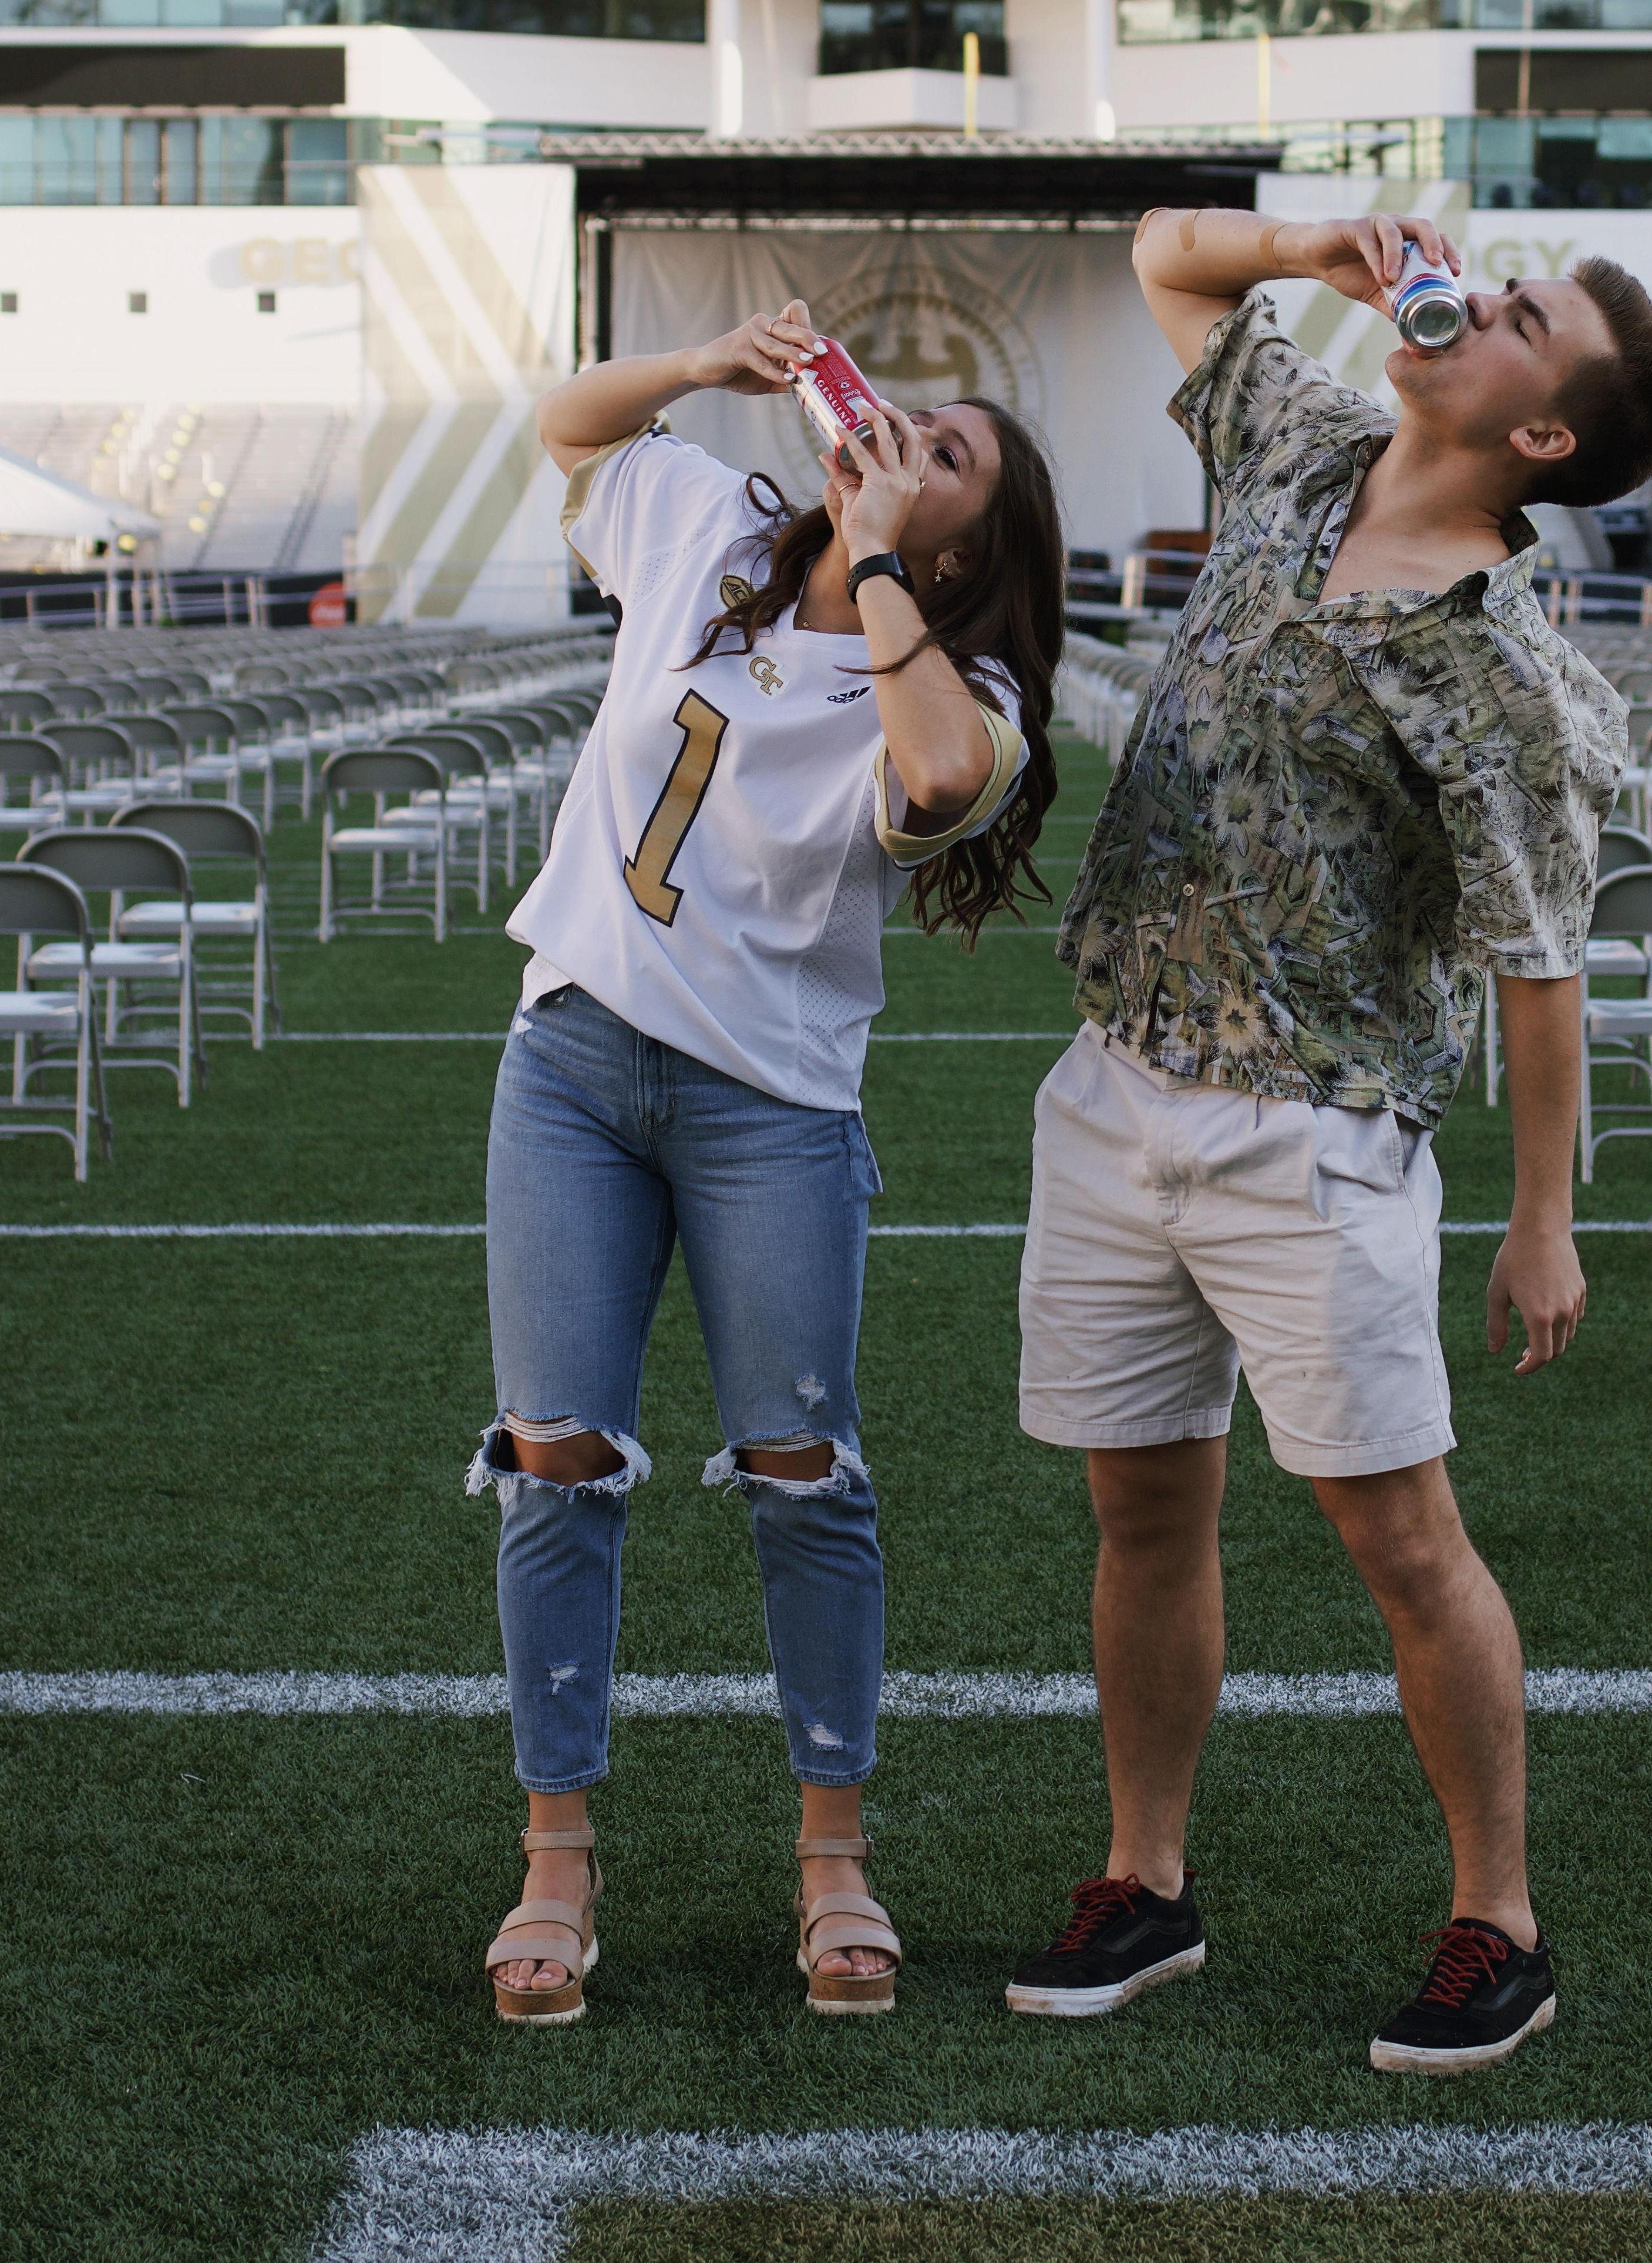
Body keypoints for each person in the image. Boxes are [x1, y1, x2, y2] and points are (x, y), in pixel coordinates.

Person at [1007, 210, 1652, 2072]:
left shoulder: (1503, 659)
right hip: (1118, 1078)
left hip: (1317, 1131)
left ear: (1544, 433)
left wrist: (1543, 1218)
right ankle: (1146, 1880)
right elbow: (1168, 258)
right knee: (1141, 1507)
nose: (1481, 292)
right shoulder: (1303, 444)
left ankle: (1500, 1922)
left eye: (1524, 312)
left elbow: (1542, 959)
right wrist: (1321, 242)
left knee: (1401, 1539)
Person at [472, 300, 1064, 2025]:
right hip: (573, 1059)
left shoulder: (971, 682)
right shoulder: (716, 525)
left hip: (772, 1109)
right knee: (553, 1462)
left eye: (948, 456)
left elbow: (943, 774)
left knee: (805, 1474)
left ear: (965, 560)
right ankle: (556, 1861)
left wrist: (875, 568)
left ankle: (832, 1860)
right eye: (912, 413)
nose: (902, 434)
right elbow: (568, 424)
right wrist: (706, 364)